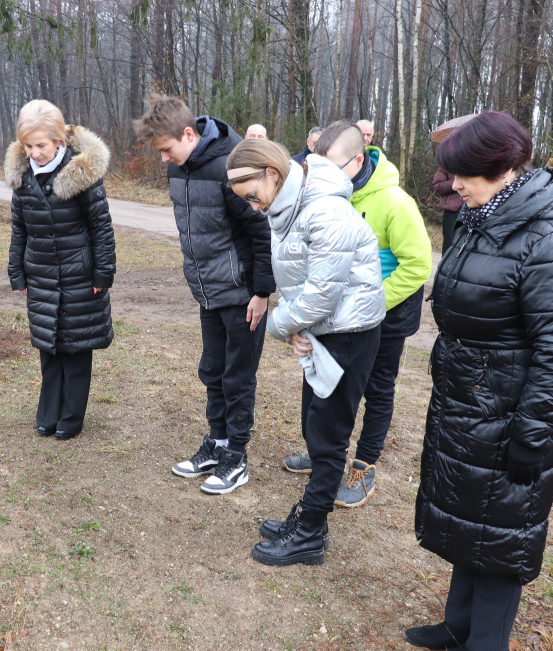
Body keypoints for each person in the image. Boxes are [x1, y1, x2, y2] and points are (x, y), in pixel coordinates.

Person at [407, 111, 553, 651]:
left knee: (503, 520)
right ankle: (459, 621)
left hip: (511, 406)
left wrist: (533, 428)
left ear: (503, 167)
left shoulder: (547, 234)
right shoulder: (485, 216)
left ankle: (488, 645)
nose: (454, 185)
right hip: (469, 396)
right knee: (471, 512)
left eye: (464, 174)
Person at [225, 139, 385, 565]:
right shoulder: (288, 207)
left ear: (271, 175)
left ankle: (311, 532)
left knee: (328, 435)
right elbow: (305, 284)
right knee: (315, 424)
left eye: (253, 196)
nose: (254, 207)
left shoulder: (324, 211)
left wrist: (285, 323)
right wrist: (301, 326)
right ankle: (308, 516)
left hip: (347, 333)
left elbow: (319, 294)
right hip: (324, 330)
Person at [280, 121, 430, 509]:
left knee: (377, 388)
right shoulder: (324, 197)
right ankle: (321, 455)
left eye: (328, 167)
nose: (317, 177)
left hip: (386, 314)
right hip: (337, 316)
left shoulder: (395, 202)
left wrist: (373, 302)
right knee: (321, 380)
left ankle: (363, 467)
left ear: (357, 160)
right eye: (313, 167)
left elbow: (416, 265)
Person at [133, 93, 274, 495]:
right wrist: (197, 283)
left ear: (189, 134)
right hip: (208, 292)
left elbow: (261, 233)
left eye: (166, 149)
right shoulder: (179, 169)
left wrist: (261, 292)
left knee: (238, 375)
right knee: (212, 370)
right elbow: (195, 232)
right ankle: (218, 443)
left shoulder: (232, 166)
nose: (162, 158)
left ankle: (237, 458)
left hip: (242, 293)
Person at [6, 100, 116, 441]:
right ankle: (48, 414)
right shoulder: (23, 180)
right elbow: (19, 229)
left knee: (76, 350)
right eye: (29, 146)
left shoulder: (80, 174)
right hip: (40, 276)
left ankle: (71, 417)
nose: (35, 152)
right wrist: (16, 271)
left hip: (79, 277)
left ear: (59, 142)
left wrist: (102, 274)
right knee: (48, 350)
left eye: (41, 145)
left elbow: (101, 227)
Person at [431, 166, 462, 253]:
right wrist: (455, 184)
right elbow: (436, 185)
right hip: (452, 213)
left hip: (477, 210)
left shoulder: (480, 159)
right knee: (449, 248)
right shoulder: (449, 162)